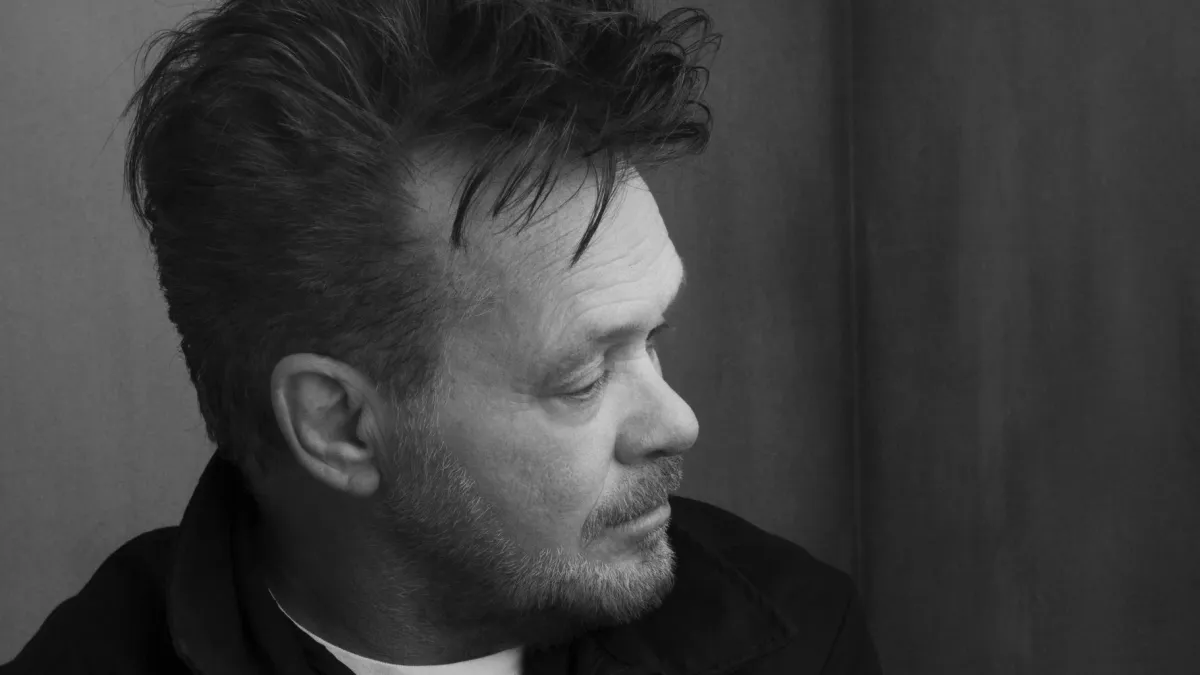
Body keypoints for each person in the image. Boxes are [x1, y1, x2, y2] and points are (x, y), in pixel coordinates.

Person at [2, 1, 880, 673]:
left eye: (652, 339)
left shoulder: (797, 636)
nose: (677, 421)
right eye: (582, 378)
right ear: (340, 424)